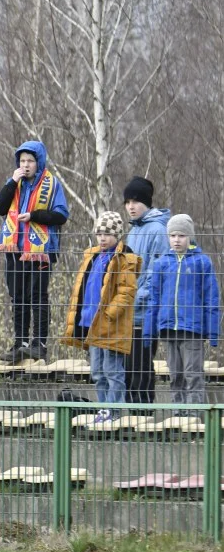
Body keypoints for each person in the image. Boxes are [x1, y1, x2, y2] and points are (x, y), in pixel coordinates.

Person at [0, 141, 69, 363]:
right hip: (15, 249)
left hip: (42, 249)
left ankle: (39, 343)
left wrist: (35, 215)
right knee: (18, 296)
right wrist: (12, 181)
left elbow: (61, 215)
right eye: (22, 161)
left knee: (37, 296)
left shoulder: (52, 184)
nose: (26, 165)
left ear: (39, 162)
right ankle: (20, 342)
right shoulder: (14, 184)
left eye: (30, 161)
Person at [62, 212, 139, 423]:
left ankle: (115, 410)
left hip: (110, 324)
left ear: (117, 235)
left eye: (107, 233)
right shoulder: (93, 256)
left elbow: (127, 291)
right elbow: (83, 289)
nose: (102, 238)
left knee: (112, 370)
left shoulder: (125, 257)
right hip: (91, 323)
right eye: (99, 233)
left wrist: (109, 313)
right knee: (97, 371)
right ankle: (104, 409)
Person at [145, 214, 220, 415]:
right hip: (169, 329)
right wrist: (148, 331)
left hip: (192, 330)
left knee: (193, 374)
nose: (176, 240)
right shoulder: (162, 264)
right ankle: (178, 413)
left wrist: (213, 333)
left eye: (181, 235)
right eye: (172, 235)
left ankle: (194, 415)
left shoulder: (202, 263)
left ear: (190, 237)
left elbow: (211, 299)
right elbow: (154, 299)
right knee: (175, 374)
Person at [122, 177, 170, 406]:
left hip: (145, 311)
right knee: (128, 367)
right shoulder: (134, 230)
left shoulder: (158, 231)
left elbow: (156, 273)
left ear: (147, 203)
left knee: (140, 365)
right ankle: (131, 410)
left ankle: (141, 412)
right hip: (129, 310)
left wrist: (135, 296)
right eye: (127, 202)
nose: (131, 206)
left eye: (136, 201)